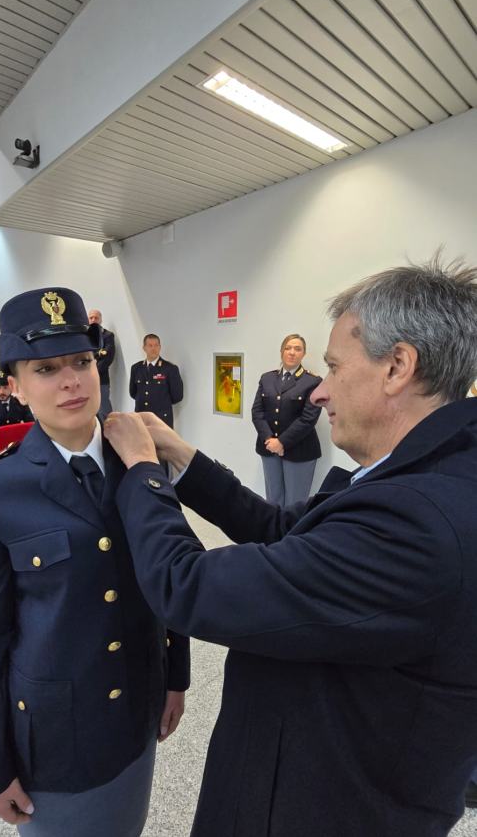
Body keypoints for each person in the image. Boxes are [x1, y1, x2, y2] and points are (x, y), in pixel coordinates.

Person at [104, 256, 477, 837]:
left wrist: (142, 473)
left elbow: (188, 586)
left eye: (332, 366)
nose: (321, 391)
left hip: (322, 805)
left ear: (398, 367)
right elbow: (284, 531)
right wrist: (183, 459)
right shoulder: (415, 473)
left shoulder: (416, 522)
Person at [0, 287, 189, 837]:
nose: (72, 380)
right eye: (46, 368)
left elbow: (167, 571)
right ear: (13, 387)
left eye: (82, 361)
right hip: (57, 738)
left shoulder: (136, 459)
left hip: (137, 705)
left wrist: (175, 675)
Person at [251, 333, 322, 505]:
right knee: (273, 500)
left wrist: (281, 442)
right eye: (288, 348)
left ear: (303, 354)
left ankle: (292, 533)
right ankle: (274, 533)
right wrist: (269, 439)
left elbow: (308, 418)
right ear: (281, 351)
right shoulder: (267, 378)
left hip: (300, 450)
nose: (292, 352)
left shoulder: (312, 381)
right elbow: (257, 412)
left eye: (298, 349)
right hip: (269, 448)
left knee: (294, 503)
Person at [129, 334, 183, 428]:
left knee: (161, 443)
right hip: (141, 417)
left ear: (160, 347)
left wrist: (161, 404)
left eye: (156, 345)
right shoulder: (136, 368)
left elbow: (177, 396)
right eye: (150, 345)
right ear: (144, 348)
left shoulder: (170, 369)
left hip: (161, 418)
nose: (153, 348)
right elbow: (133, 392)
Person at [0, 369, 33, 452]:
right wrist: (3, 440)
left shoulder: (20, 402)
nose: (1, 392)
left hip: (18, 441)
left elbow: (30, 424)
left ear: (11, 387)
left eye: (5, 388)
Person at [87, 309, 115, 419]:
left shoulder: (107, 336)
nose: (93, 320)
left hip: (101, 380)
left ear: (101, 320)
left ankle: (110, 436)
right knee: (90, 412)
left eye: (96, 318)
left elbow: (107, 358)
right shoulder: (84, 337)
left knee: (105, 412)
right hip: (85, 382)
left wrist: (92, 374)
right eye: (91, 318)